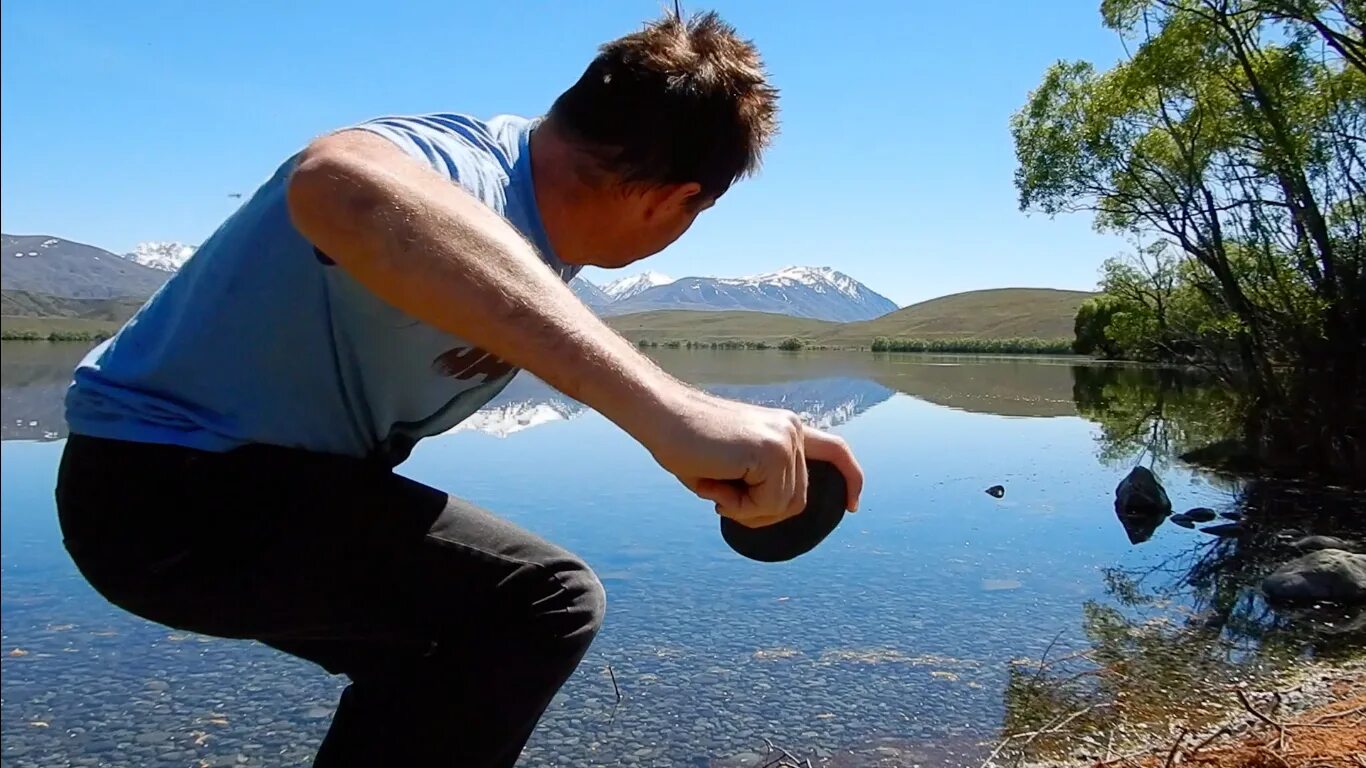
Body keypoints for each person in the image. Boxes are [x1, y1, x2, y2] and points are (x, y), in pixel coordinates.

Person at [54, 10, 864, 767]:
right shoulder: (466, 169)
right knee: (535, 602)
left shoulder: (539, 225)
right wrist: (670, 414)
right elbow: (335, 181)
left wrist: (712, 422)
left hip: (239, 488)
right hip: (162, 490)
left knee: (453, 648)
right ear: (671, 200)